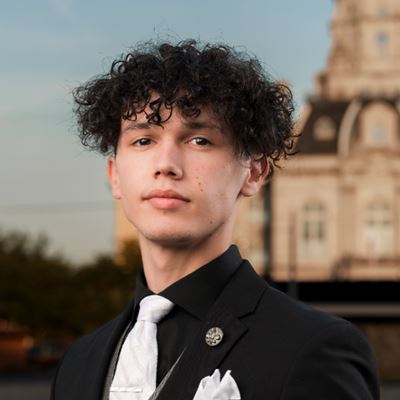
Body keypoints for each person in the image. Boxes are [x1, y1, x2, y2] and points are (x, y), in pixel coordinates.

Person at [51, 40, 379, 400]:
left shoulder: (315, 348)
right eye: (143, 140)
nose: (166, 165)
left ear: (254, 172)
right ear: (115, 175)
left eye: (199, 140)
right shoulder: (78, 363)